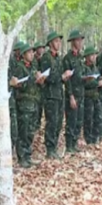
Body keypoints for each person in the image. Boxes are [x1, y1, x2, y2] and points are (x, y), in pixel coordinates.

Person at [11, 44, 43, 168]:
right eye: (29, 52)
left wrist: (40, 80)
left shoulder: (34, 67)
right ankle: (22, 157)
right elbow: (18, 85)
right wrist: (32, 80)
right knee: (23, 132)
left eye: (32, 52)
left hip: (34, 103)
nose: (32, 54)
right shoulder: (19, 68)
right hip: (23, 104)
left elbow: (37, 86)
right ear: (23, 55)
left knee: (30, 132)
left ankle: (28, 155)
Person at [39, 31, 66, 159]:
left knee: (59, 122)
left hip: (59, 94)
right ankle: (50, 149)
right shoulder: (46, 58)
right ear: (50, 44)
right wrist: (61, 77)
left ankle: (54, 147)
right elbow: (46, 77)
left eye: (59, 41)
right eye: (56, 41)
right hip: (50, 95)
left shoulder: (58, 58)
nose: (58, 43)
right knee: (52, 122)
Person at [62, 30, 86, 153]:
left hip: (81, 92)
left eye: (81, 40)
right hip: (72, 94)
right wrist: (70, 96)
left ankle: (75, 142)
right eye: (78, 40)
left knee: (79, 120)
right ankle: (69, 146)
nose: (80, 42)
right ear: (72, 42)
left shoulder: (81, 58)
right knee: (71, 120)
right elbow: (67, 80)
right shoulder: (67, 58)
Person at [82, 46, 102, 145]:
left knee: (98, 117)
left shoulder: (96, 68)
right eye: (92, 55)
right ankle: (88, 139)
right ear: (86, 56)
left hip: (96, 96)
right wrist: (96, 83)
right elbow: (83, 83)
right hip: (87, 97)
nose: (94, 57)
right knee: (88, 118)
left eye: (95, 55)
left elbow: (98, 79)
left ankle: (95, 137)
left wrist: (101, 83)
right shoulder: (83, 68)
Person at [33, 41, 46, 131]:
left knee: (40, 106)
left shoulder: (43, 60)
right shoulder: (33, 60)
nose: (41, 49)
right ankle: (34, 124)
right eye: (39, 48)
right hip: (34, 86)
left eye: (42, 48)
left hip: (41, 86)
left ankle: (38, 124)